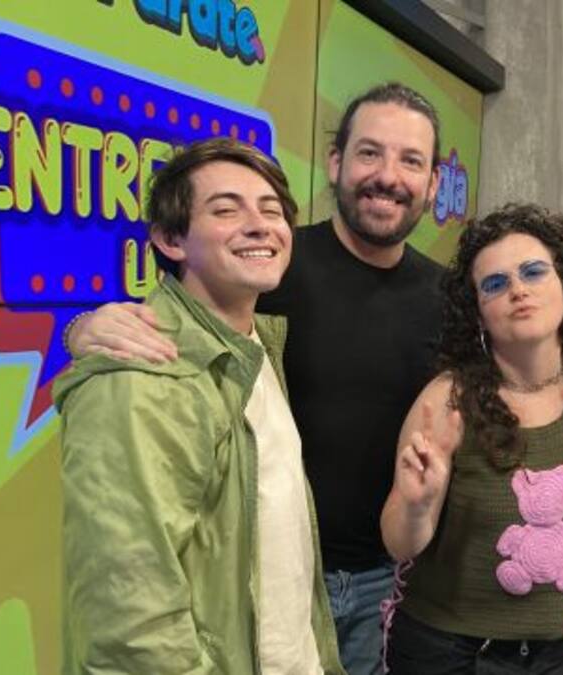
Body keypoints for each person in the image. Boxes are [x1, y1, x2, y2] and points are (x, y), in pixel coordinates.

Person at [65, 82, 444, 675]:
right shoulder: (262, 278)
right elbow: (133, 609)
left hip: (364, 582)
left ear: (433, 183)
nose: (388, 176)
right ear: (336, 163)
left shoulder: (445, 295)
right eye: (370, 153)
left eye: (411, 160)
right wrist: (83, 328)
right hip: (248, 586)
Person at [56, 137, 344, 674]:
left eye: (271, 210)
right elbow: (132, 618)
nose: (259, 226)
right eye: (226, 210)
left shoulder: (254, 345)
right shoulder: (140, 377)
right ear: (170, 239)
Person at [380, 203, 563, 673]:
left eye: (533, 272)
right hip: (448, 651)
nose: (518, 290)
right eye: (495, 283)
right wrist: (418, 505)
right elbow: (400, 545)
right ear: (478, 314)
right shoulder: (446, 401)